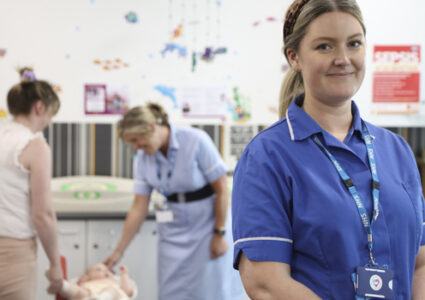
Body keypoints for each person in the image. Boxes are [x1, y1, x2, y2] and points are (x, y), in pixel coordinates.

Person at [231, 0, 425, 299]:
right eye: (325, 47)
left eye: (354, 43)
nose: (343, 58)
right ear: (294, 57)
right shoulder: (268, 155)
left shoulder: (396, 149)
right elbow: (266, 284)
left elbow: (420, 261)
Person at [104, 103, 244, 300]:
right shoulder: (144, 157)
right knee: (171, 292)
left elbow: (222, 190)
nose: (136, 147)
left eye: (137, 140)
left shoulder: (195, 141)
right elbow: (138, 207)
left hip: (207, 230)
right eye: (132, 143)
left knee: (210, 291)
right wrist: (118, 251)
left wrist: (219, 233)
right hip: (172, 233)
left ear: (152, 127)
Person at [0, 67, 63, 299]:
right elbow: (42, 214)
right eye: (50, 115)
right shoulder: (34, 146)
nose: (47, 123)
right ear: (40, 107)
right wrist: (55, 263)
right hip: (12, 251)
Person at [60, 263, 134, 300]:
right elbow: (78, 286)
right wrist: (81, 281)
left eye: (107, 270)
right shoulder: (87, 283)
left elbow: (128, 292)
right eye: (98, 270)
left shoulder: (114, 283)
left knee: (112, 290)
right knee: (78, 291)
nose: (105, 271)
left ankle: (102, 298)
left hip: (111, 297)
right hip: (89, 296)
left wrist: (124, 274)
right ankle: (62, 285)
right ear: (87, 277)